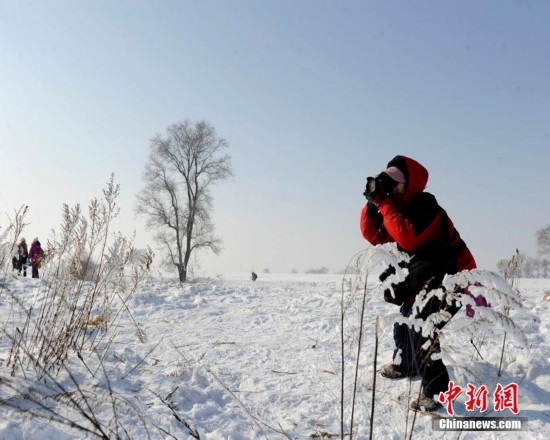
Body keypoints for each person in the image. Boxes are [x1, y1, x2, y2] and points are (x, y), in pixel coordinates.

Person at [360, 155, 476, 411]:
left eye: (396, 182)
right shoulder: (395, 210)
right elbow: (374, 236)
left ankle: (437, 391)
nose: (390, 187)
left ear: (410, 185)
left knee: (423, 327)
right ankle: (407, 364)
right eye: (386, 181)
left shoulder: (427, 207)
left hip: (457, 278)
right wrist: (372, 205)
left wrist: (384, 203)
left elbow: (407, 238)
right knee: (404, 323)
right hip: (424, 276)